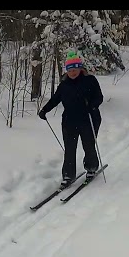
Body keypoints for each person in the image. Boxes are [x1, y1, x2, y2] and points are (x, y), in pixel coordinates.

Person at [38, 51, 104, 184]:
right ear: (66, 70)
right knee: (69, 148)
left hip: (88, 119)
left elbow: (99, 97)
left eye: (75, 69)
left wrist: (93, 105)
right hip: (70, 120)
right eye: (70, 70)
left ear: (80, 68)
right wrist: (45, 110)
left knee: (89, 145)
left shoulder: (90, 81)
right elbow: (55, 99)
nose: (72, 73)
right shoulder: (64, 85)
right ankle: (68, 175)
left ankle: (91, 168)